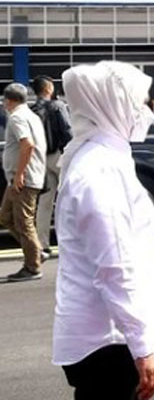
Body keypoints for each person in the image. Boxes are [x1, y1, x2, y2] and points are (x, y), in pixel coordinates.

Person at [53, 61, 154, 400]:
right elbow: (114, 268)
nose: (145, 111)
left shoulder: (104, 158)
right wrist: (143, 349)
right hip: (108, 342)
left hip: (111, 336)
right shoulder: (99, 172)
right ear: (109, 106)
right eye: (136, 102)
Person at [0, 83, 48, 282]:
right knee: (5, 216)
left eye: (4, 100)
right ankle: (35, 251)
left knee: (23, 221)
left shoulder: (17, 117)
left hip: (23, 179)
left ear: (9, 101)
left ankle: (32, 267)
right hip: (21, 178)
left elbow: (27, 144)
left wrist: (20, 174)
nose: (3, 104)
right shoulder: (31, 115)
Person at [30, 75, 72, 261]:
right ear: (48, 88)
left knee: (45, 204)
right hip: (59, 156)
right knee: (69, 200)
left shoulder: (31, 110)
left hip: (41, 160)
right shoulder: (58, 107)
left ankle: (42, 245)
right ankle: (70, 243)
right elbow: (68, 132)